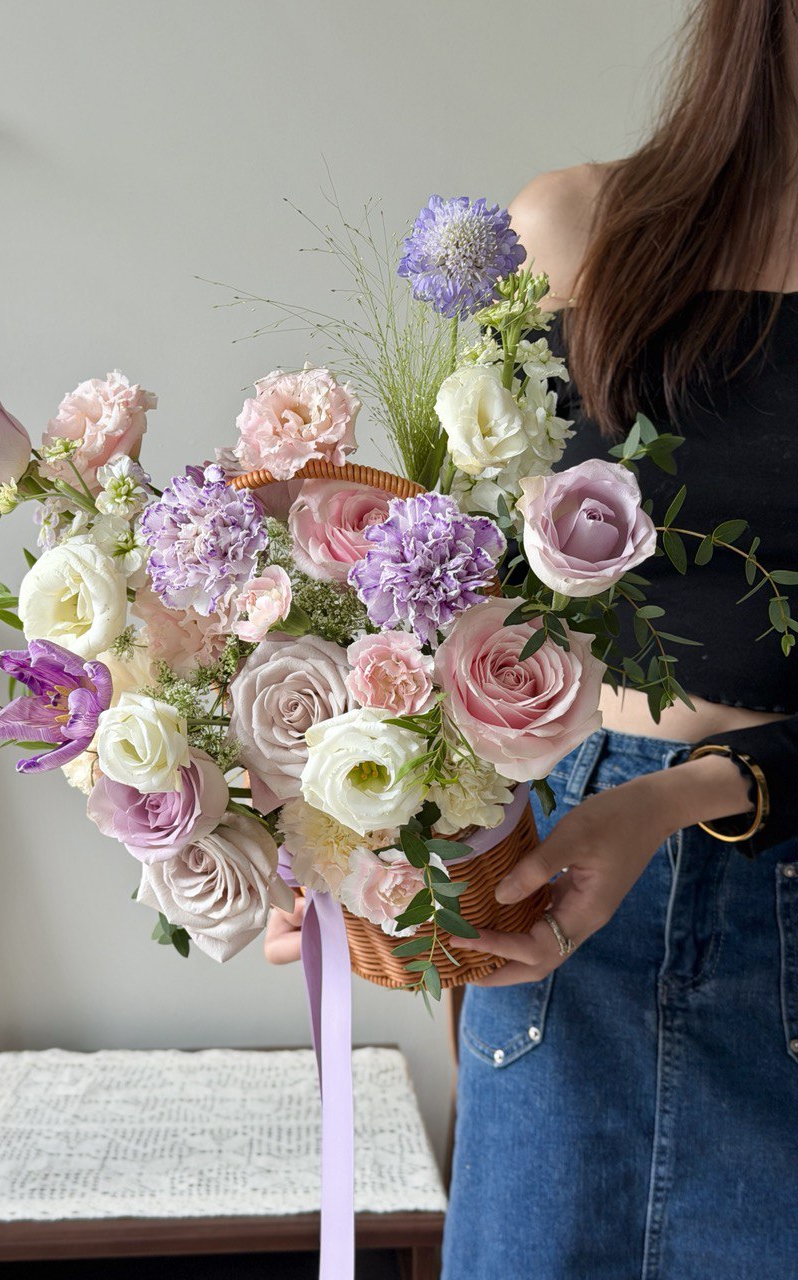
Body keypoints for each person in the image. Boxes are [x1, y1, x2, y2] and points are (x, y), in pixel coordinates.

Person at [266, 1, 798, 1273]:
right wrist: (332, 821)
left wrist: (675, 799)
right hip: (560, 879)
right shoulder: (572, 231)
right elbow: (456, 598)